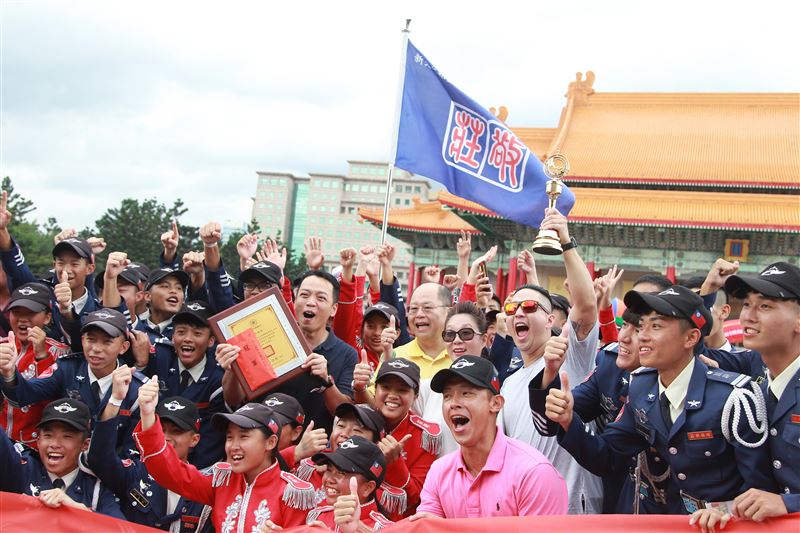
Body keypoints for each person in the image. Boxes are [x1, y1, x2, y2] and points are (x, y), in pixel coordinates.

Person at [549, 285, 776, 514]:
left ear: (690, 338)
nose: (643, 336)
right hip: (669, 520)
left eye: (655, 326)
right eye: (642, 326)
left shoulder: (733, 398)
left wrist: (727, 511)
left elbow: (762, 487)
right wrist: (569, 421)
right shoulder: (641, 386)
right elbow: (608, 456)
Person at [499, 208, 602, 515]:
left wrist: (566, 242)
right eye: (511, 306)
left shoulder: (571, 354)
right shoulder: (509, 381)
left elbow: (585, 306)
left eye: (529, 306)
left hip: (573, 506)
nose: (518, 312)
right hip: (526, 507)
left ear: (550, 319)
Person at [689, 262, 800, 531]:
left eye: (765, 306)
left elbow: (779, 499)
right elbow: (688, 346)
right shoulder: (753, 366)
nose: (748, 315)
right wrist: (708, 292)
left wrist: (790, 503)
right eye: (747, 304)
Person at [529, 309, 672, 514]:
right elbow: (550, 423)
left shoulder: (681, 383)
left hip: (676, 510)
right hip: (620, 503)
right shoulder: (609, 365)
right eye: (624, 326)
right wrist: (550, 373)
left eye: (638, 329)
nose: (623, 337)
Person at [133, 379, 315, 531]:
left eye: (244, 436)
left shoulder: (293, 493)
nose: (233, 446)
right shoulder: (221, 481)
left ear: (271, 442)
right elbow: (171, 473)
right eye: (229, 437)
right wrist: (148, 415)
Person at [411, 355, 567, 520]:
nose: (453, 403)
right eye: (447, 396)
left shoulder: (534, 473)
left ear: (496, 403)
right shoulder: (438, 471)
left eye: (466, 393)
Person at [0, 308, 147, 457]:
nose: (96, 349)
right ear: (82, 340)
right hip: (63, 463)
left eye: (107, 341)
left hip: (111, 471)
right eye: (91, 339)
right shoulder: (67, 368)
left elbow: (132, 456)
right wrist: (8, 372)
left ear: (124, 347)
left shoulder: (137, 390)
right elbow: (22, 396)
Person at [87, 395, 211, 531]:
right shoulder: (134, 472)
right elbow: (100, 459)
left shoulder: (202, 487)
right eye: (161, 430)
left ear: (194, 439)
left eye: (176, 432)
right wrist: (115, 400)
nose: (165, 438)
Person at [0, 398, 123, 518]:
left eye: (67, 436)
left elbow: (121, 528)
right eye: (48, 435)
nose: (55, 444)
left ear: (85, 444)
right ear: (38, 441)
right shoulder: (21, 471)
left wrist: (76, 508)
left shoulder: (97, 487)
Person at [142, 300, 226, 469]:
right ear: (172, 337)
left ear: (211, 341)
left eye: (197, 333)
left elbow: (211, 440)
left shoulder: (218, 379)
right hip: (155, 461)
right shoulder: (160, 362)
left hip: (196, 470)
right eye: (181, 332)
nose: (188, 339)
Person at [367, 357, 439, 518]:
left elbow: (416, 499)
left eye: (402, 390)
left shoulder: (426, 436)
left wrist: (395, 464)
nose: (392, 395)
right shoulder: (356, 420)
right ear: (375, 389)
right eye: (385, 387)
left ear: (415, 396)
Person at [0, 282, 69, 448]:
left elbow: (56, 399)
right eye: (17, 312)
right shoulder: (2, 346)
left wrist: (42, 356)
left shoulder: (61, 352)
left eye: (30, 313)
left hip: (36, 447)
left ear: (47, 317)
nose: (23, 319)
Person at [306, 435, 392, 532]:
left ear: (368, 488)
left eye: (342, 473)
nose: (329, 479)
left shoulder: (386, 529)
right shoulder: (320, 515)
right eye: (329, 469)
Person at [137, 267, 190, 345]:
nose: (174, 291)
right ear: (147, 296)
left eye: (179, 288)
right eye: (165, 286)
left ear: (183, 300)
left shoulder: (187, 332)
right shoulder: (136, 327)